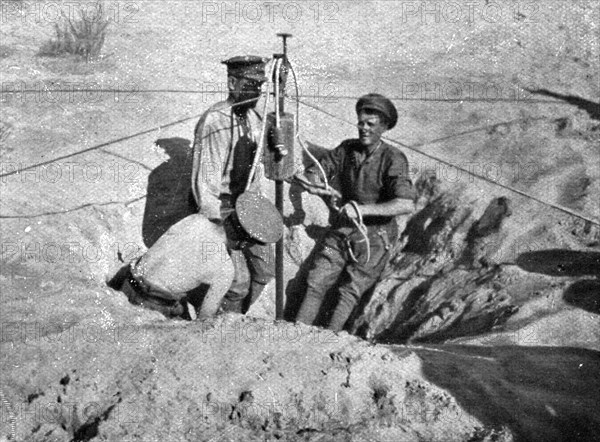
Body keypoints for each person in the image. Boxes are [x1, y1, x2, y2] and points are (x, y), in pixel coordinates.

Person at [294, 93, 416, 332]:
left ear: (383, 127)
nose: (364, 129)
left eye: (371, 124)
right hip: (341, 230)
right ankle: (298, 334)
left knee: (349, 292)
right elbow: (320, 169)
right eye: (361, 123)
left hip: (375, 238)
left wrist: (361, 209)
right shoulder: (347, 149)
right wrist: (313, 181)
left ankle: (331, 341)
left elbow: (406, 204)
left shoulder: (393, 159)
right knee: (316, 281)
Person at [191, 55, 275, 314]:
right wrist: (221, 228)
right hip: (221, 210)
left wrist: (256, 213)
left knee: (266, 268)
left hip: (245, 207)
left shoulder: (253, 120)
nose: (257, 92)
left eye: (260, 87)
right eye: (250, 85)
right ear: (231, 83)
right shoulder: (215, 121)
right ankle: (223, 329)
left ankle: (235, 317)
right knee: (237, 281)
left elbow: (256, 175)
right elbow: (205, 190)